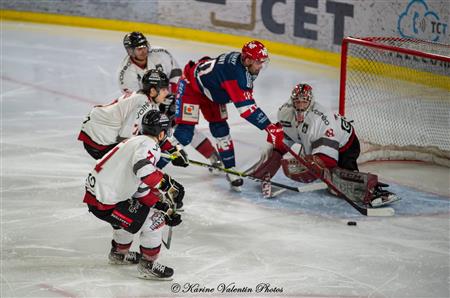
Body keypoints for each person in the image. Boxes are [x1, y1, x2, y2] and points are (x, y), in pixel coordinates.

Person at [246, 83, 399, 207]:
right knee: (278, 151)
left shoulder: (321, 120)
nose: (300, 105)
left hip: (345, 145)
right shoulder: (285, 112)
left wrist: (314, 165)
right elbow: (285, 135)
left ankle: (374, 190)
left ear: (311, 103)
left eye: (304, 102)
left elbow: (329, 159)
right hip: (313, 142)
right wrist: (273, 153)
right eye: (297, 101)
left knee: (336, 184)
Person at [82, 110, 184, 280]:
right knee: (155, 221)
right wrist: (168, 185)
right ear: (161, 133)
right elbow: (143, 169)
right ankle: (148, 265)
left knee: (132, 218)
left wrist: (162, 205)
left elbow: (139, 189)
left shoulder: (135, 140)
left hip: (99, 194)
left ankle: (119, 254)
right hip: (107, 199)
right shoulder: (149, 145)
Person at [172, 40, 285, 191]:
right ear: (247, 60)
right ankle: (152, 160)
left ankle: (230, 169)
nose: (261, 66)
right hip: (190, 88)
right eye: (258, 62)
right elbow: (247, 110)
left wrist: (269, 127)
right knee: (185, 133)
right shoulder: (236, 75)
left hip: (212, 91)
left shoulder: (241, 65)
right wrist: (270, 128)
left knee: (221, 129)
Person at [118, 31, 222, 170]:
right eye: (139, 48)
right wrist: (160, 110)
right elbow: (139, 101)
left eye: (144, 46)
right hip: (149, 105)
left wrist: (173, 99)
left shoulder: (161, 54)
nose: (143, 51)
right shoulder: (126, 75)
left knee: (184, 126)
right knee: (155, 132)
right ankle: (146, 164)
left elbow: (177, 76)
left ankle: (213, 155)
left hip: (170, 94)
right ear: (131, 51)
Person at [78, 69, 170, 160]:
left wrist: (171, 148)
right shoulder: (143, 103)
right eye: (163, 89)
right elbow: (125, 138)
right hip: (98, 138)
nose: (167, 92)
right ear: (153, 91)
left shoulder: (145, 100)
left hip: (96, 130)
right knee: (133, 157)